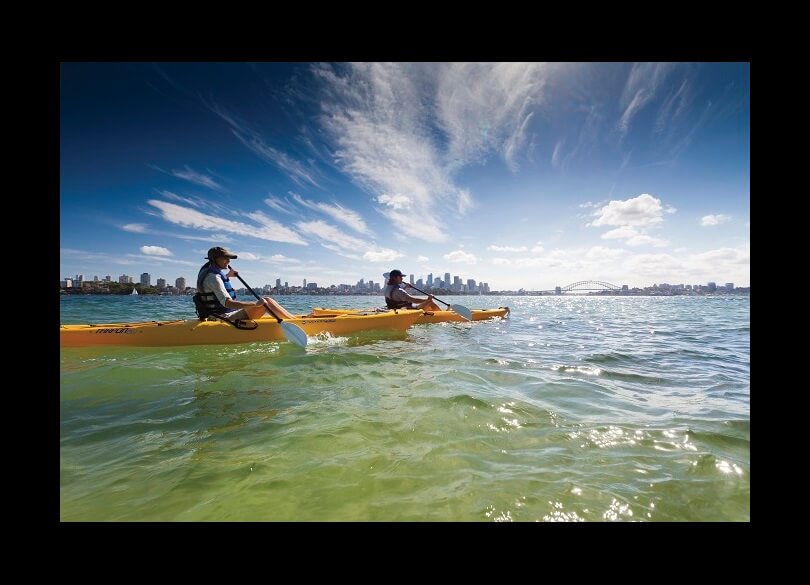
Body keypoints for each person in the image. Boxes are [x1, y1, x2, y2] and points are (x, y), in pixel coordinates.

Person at [194, 246, 297, 322]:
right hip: (223, 318)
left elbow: (213, 287)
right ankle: (296, 323)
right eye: (225, 258)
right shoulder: (214, 278)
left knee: (266, 301)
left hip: (222, 314)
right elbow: (227, 303)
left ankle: (293, 319)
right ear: (215, 259)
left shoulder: (209, 273)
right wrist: (255, 304)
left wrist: (227, 277)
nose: (228, 261)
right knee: (266, 302)